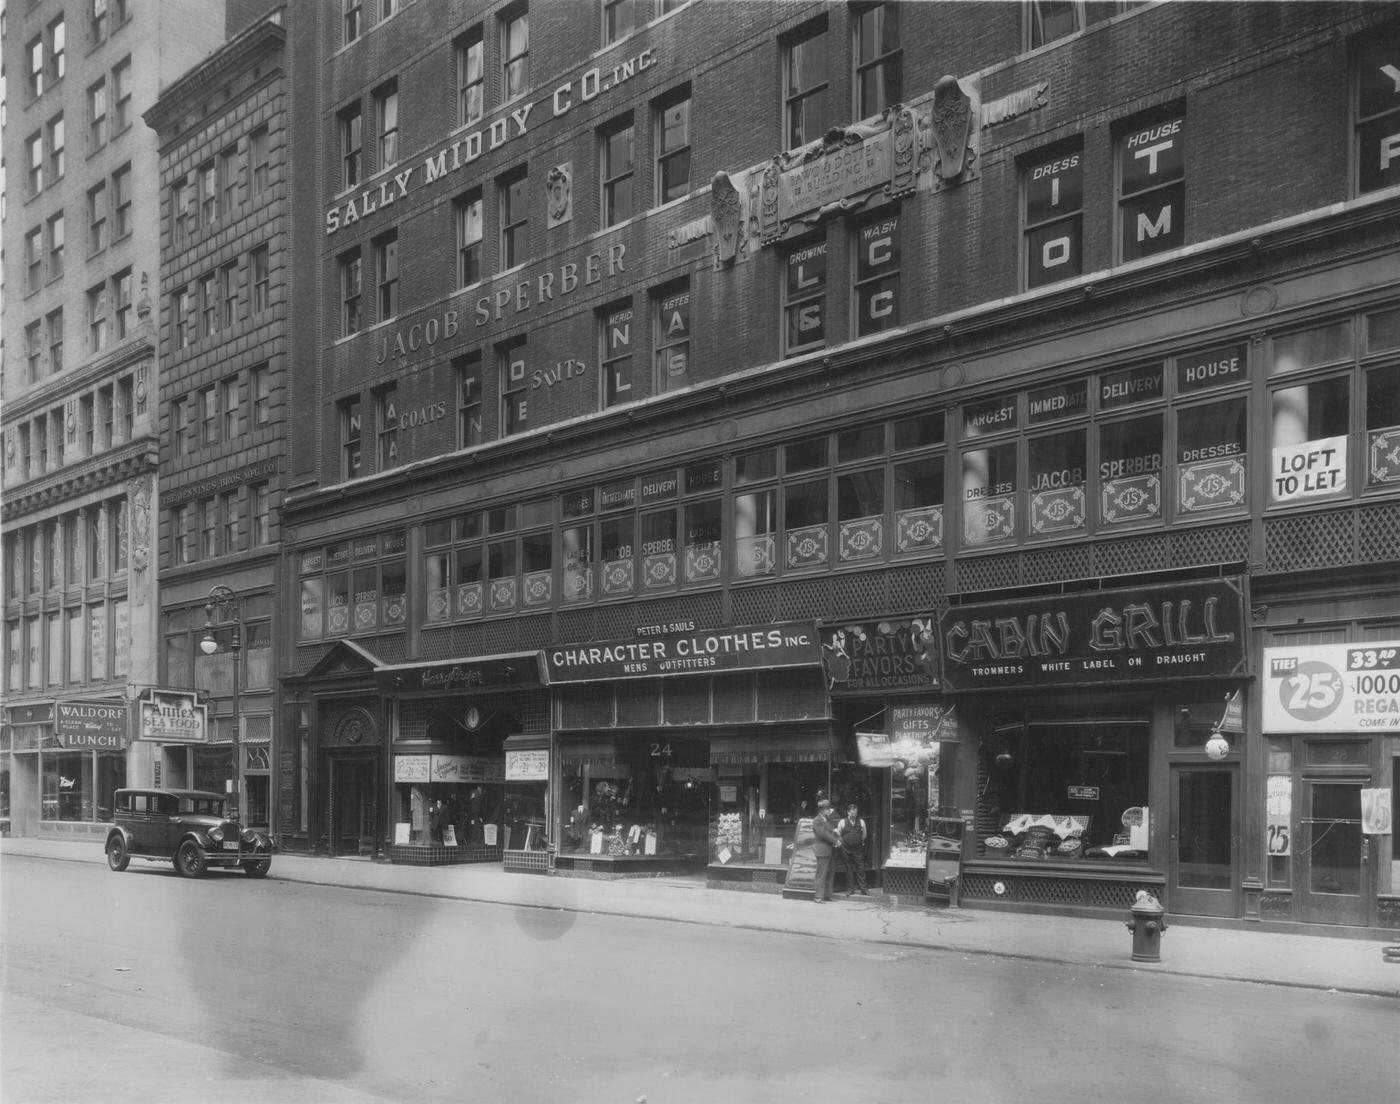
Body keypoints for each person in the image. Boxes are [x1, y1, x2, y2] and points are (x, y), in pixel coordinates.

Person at [810, 799, 841, 903]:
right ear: (822, 810)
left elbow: (829, 831)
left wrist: (835, 832)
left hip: (829, 850)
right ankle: (818, 897)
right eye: (828, 809)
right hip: (822, 850)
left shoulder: (826, 819)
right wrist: (835, 841)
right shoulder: (817, 820)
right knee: (821, 874)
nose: (829, 810)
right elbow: (823, 834)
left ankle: (828, 895)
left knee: (830, 873)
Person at [837, 803, 869, 896]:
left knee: (861, 869)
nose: (854, 815)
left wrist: (857, 841)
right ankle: (850, 889)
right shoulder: (842, 822)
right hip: (846, 849)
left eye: (855, 813)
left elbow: (864, 835)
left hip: (857, 849)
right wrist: (843, 843)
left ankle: (864, 889)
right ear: (848, 812)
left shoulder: (862, 822)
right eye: (852, 813)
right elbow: (838, 834)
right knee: (849, 869)